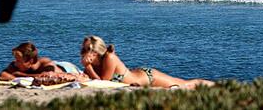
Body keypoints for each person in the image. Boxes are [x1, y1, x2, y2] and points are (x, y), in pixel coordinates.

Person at [80, 35, 214, 89]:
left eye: (86, 48)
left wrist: (88, 67)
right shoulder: (92, 65)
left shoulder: (109, 58)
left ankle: (219, 87)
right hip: (138, 77)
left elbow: (104, 82)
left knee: (185, 85)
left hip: (149, 78)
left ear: (95, 51)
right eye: (83, 48)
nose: (82, 51)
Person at [0, 42, 85, 81]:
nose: (16, 63)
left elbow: (47, 76)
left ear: (30, 61)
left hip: (66, 67)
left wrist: (21, 75)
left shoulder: (45, 63)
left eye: (19, 61)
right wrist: (16, 77)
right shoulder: (16, 65)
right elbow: (2, 75)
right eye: (16, 59)